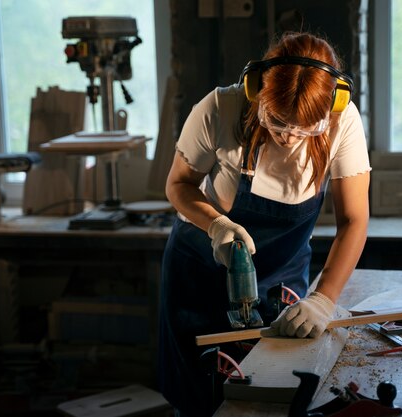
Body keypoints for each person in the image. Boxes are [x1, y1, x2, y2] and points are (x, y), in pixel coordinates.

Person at [158, 31, 371, 417]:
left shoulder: (343, 122)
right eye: (278, 122)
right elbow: (177, 185)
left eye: (304, 129)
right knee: (200, 401)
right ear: (258, 93)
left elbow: (354, 220)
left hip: (283, 282)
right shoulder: (219, 109)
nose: (289, 137)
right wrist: (216, 225)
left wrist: (324, 299)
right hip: (200, 277)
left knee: (280, 397)